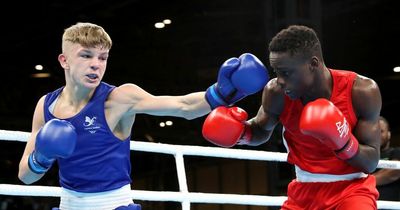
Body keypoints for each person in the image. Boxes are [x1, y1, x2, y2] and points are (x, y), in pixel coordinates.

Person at [17, 22, 269, 210]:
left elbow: (182, 106)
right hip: (67, 205)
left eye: (102, 57)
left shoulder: (118, 99)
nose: (96, 64)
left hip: (114, 205)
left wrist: (224, 92)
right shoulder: (45, 106)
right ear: (64, 60)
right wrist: (42, 156)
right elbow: (25, 176)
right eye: (86, 55)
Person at [202, 25, 382, 209]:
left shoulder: (360, 91)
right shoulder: (277, 92)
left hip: (352, 191)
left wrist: (344, 142)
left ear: (313, 64)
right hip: (302, 193)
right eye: (276, 72)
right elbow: (261, 130)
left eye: (286, 73)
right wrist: (242, 132)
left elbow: (370, 163)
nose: (279, 80)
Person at [372, 116, 400, 203]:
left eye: (381, 131)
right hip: (368, 204)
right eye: (375, 132)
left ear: (389, 134)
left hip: (390, 206)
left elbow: (394, 172)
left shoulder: (396, 151)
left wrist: (365, 181)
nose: (378, 135)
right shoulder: (366, 156)